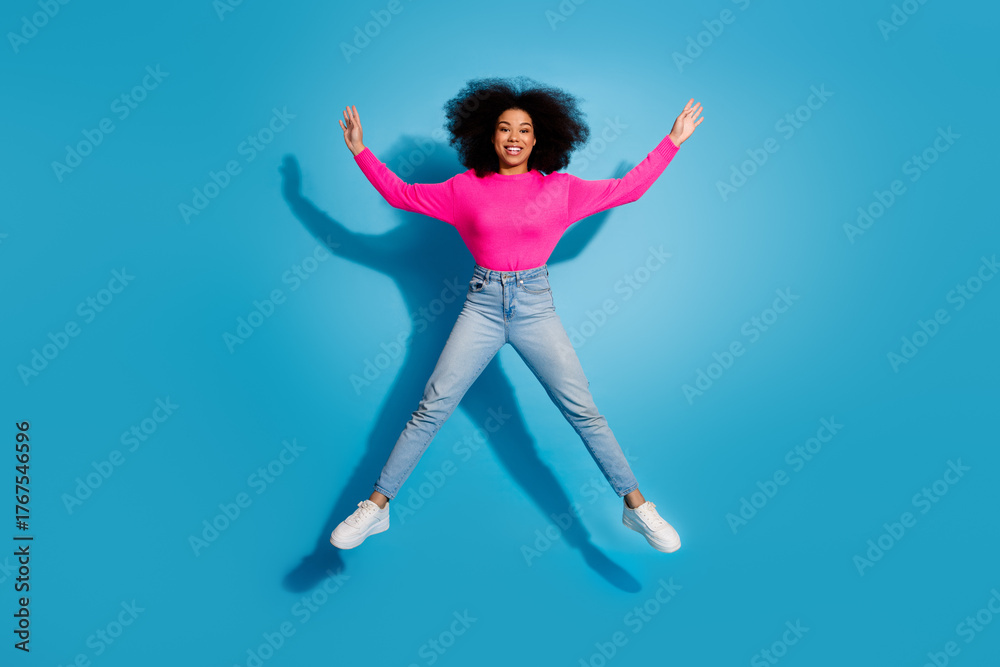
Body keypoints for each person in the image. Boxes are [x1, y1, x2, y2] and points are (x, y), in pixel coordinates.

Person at [330, 76, 703, 553]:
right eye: (505, 128)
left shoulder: (561, 189)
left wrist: (672, 141)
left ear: (538, 138)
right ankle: (376, 507)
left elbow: (628, 190)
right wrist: (360, 151)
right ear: (489, 136)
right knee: (432, 405)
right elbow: (400, 195)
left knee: (583, 410)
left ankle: (636, 506)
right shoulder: (464, 188)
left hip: (534, 305)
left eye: (524, 130)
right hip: (482, 306)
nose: (513, 137)